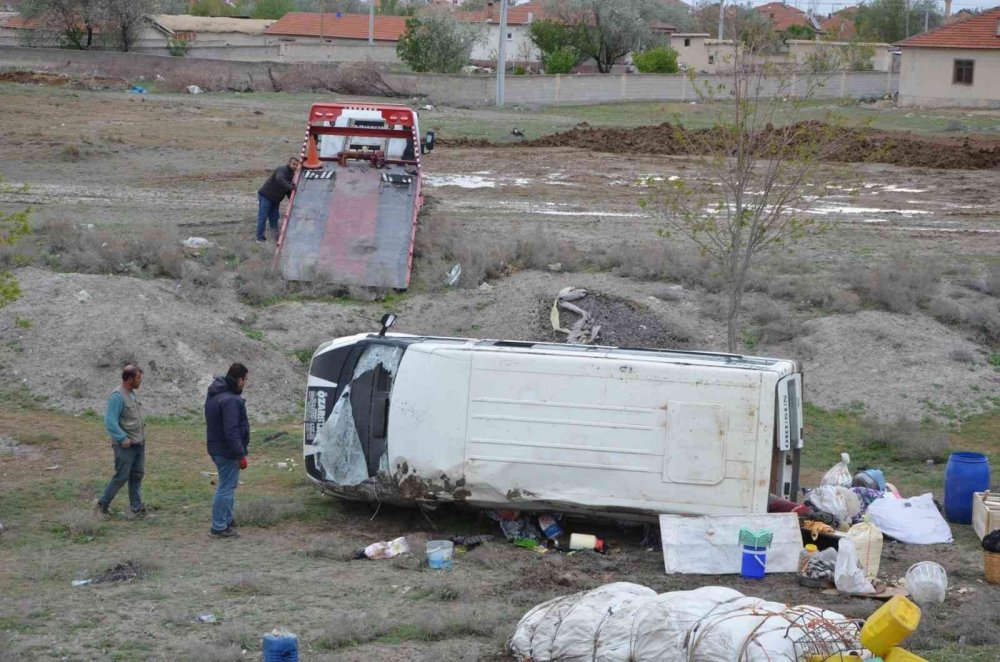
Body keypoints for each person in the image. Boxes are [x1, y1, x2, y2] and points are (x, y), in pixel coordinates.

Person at [204, 362, 250, 538]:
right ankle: (219, 526)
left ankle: (227, 520)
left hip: (217, 447)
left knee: (229, 485)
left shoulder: (215, 395)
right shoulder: (231, 400)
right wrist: (240, 453)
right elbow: (232, 431)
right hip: (227, 450)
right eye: (245, 379)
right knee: (226, 487)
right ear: (239, 379)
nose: (245, 383)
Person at [95, 365, 147, 519]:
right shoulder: (117, 396)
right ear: (130, 379)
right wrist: (122, 438)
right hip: (125, 446)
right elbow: (110, 421)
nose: (140, 381)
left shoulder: (131, 394)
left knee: (137, 475)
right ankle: (101, 506)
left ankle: (136, 509)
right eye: (138, 378)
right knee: (121, 476)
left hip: (138, 443)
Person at [256, 157, 300, 243]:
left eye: (296, 165)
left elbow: (287, 190)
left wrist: (293, 199)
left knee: (274, 218)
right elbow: (280, 179)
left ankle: (275, 237)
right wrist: (291, 188)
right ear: (289, 163)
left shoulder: (292, 175)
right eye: (293, 164)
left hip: (275, 200)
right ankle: (259, 238)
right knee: (262, 217)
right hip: (266, 196)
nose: (295, 166)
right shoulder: (282, 170)